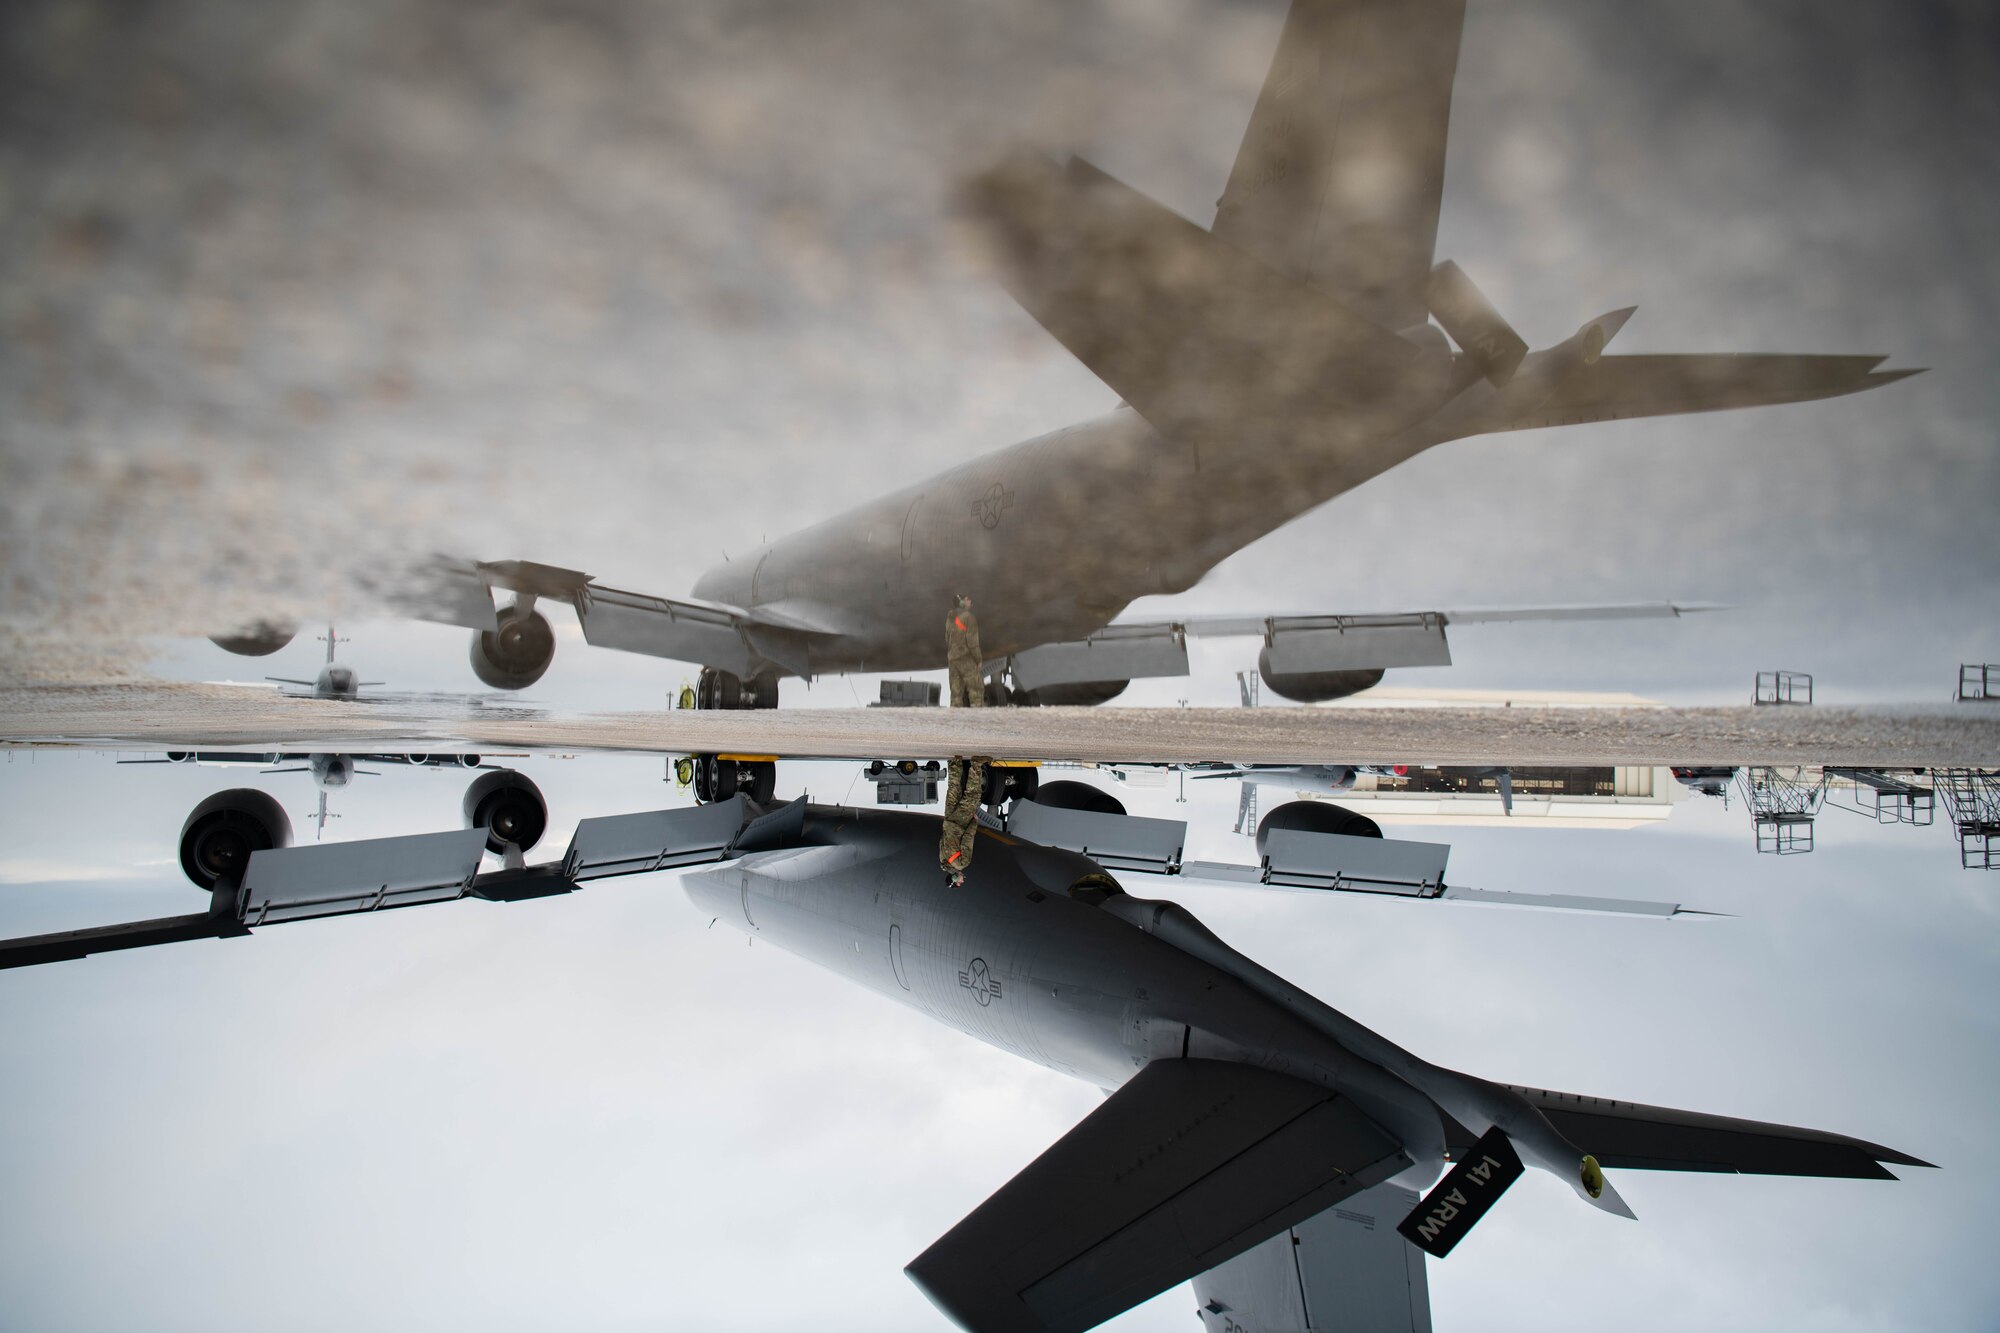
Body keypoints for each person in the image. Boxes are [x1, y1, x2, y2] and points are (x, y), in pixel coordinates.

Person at [938, 755, 989, 886]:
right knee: (954, 790)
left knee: (973, 796)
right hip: (948, 821)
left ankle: (976, 765)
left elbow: (967, 839)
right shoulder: (943, 860)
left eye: (960, 882)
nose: (962, 880)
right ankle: (955, 762)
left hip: (960, 823)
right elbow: (941, 841)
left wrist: (974, 823)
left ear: (954, 879)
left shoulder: (962, 863)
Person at [946, 594, 983, 708]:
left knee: (956, 694)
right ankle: (976, 721)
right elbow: (972, 642)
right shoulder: (968, 617)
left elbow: (947, 638)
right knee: (976, 690)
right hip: (965, 658)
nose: (970, 601)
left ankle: (955, 722)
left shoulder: (950, 617)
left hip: (953, 659)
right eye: (967, 599)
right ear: (961, 602)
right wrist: (978, 659)